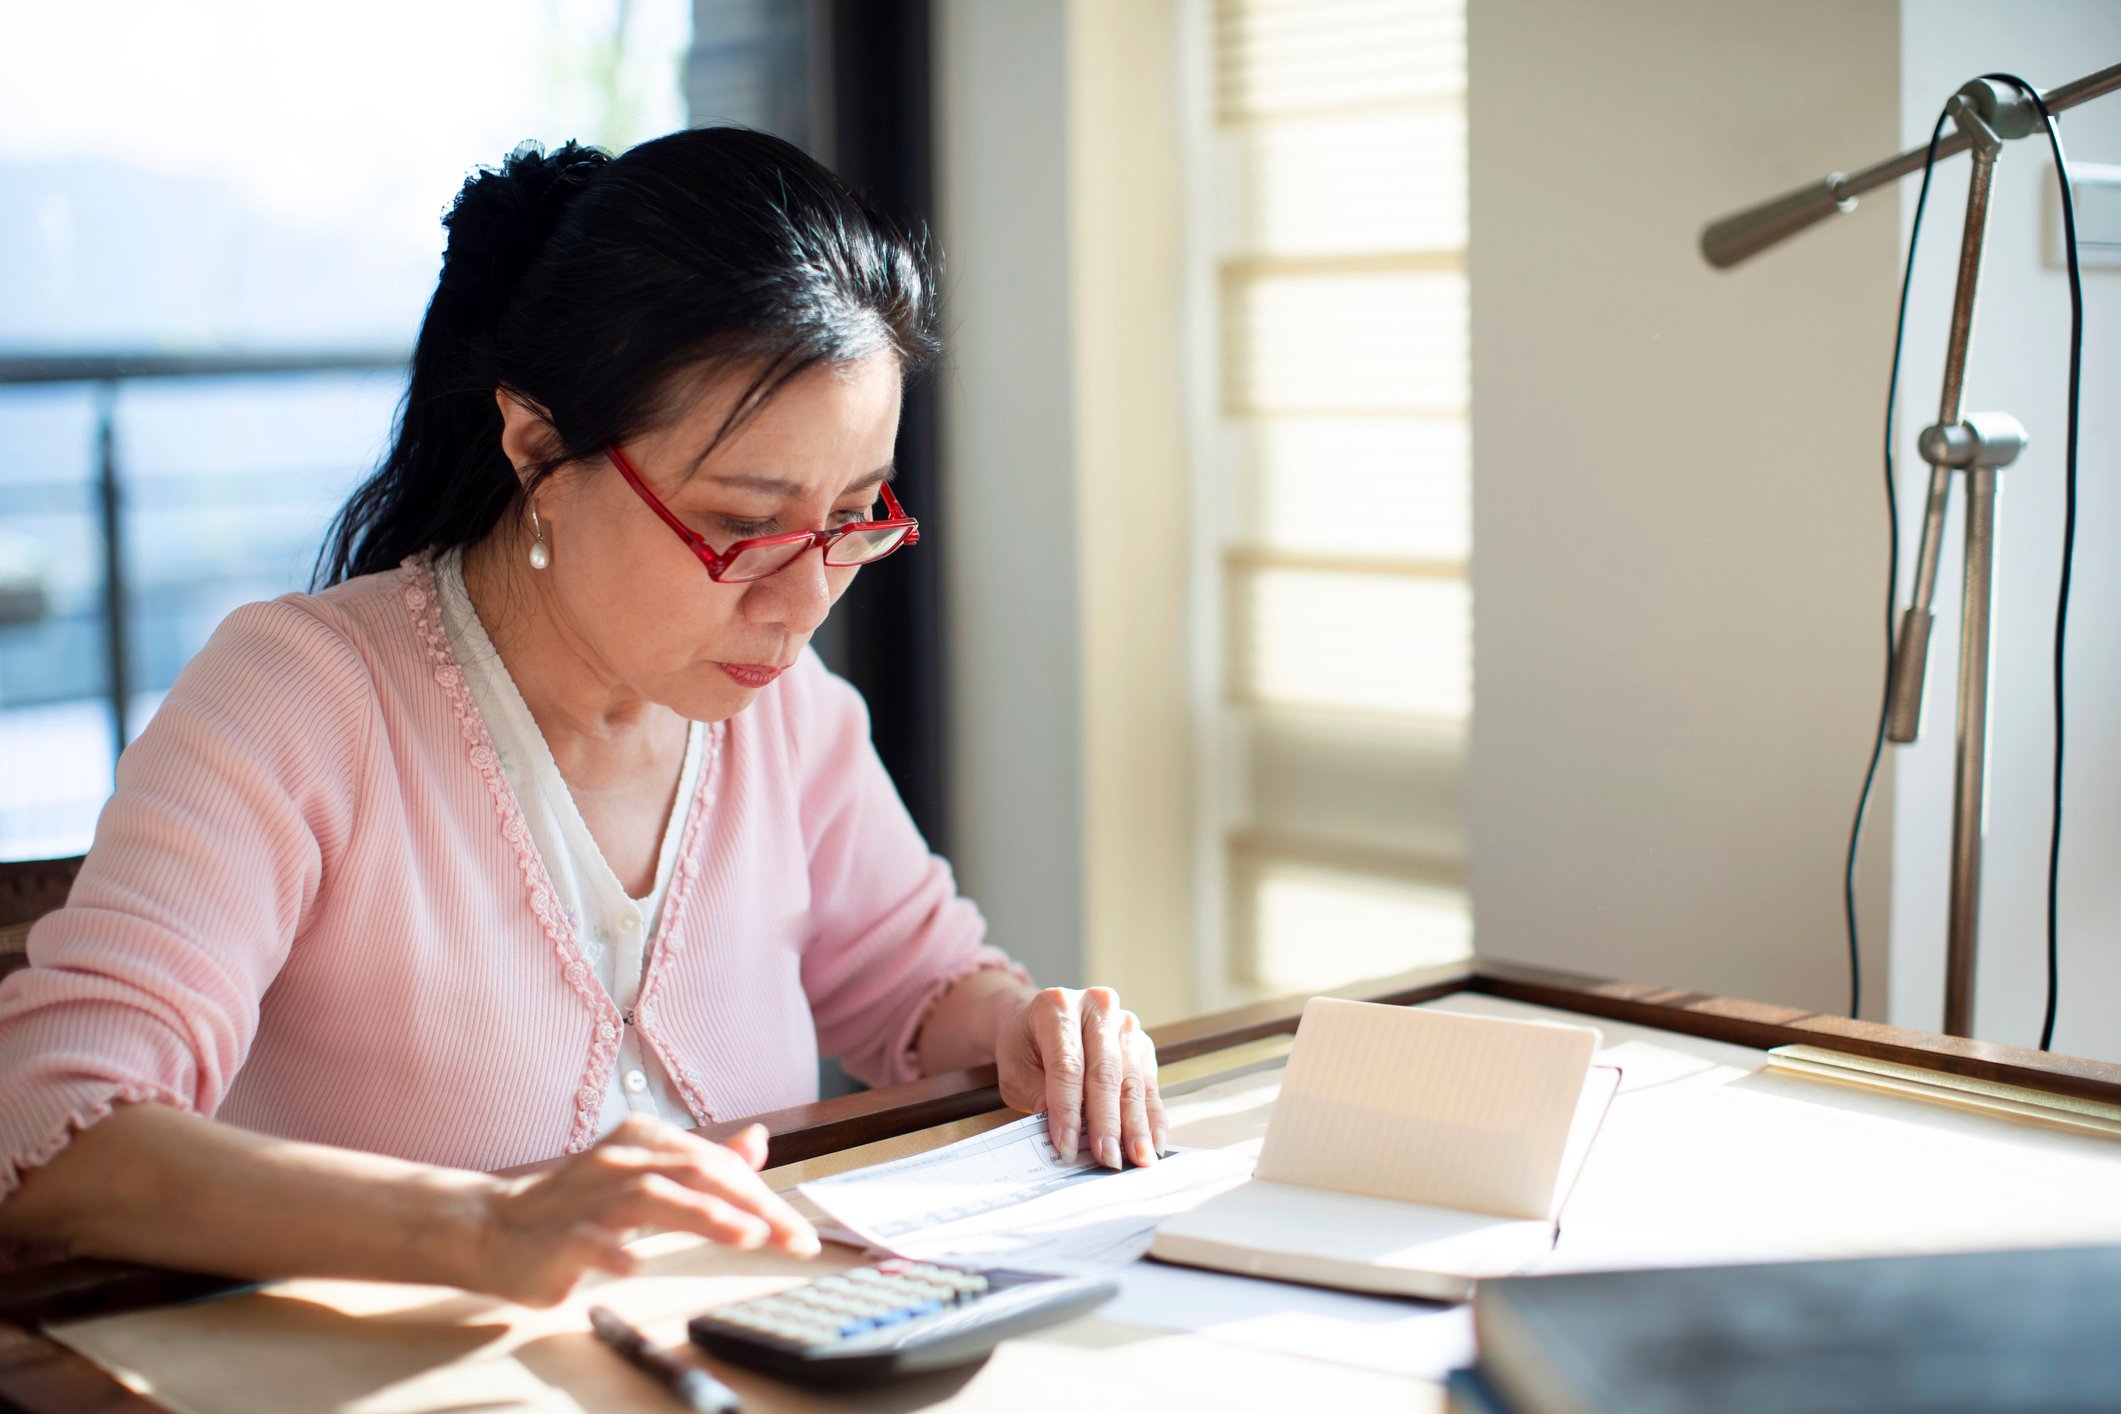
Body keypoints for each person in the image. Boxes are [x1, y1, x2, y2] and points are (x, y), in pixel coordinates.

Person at [0, 129, 1165, 1307]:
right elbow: (52, 1124)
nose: (805, 597)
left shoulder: (787, 718)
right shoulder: (303, 701)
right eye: (745, 525)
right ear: (540, 450)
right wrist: (482, 1225)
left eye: (856, 515)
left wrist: (1034, 1029)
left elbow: (921, 987)